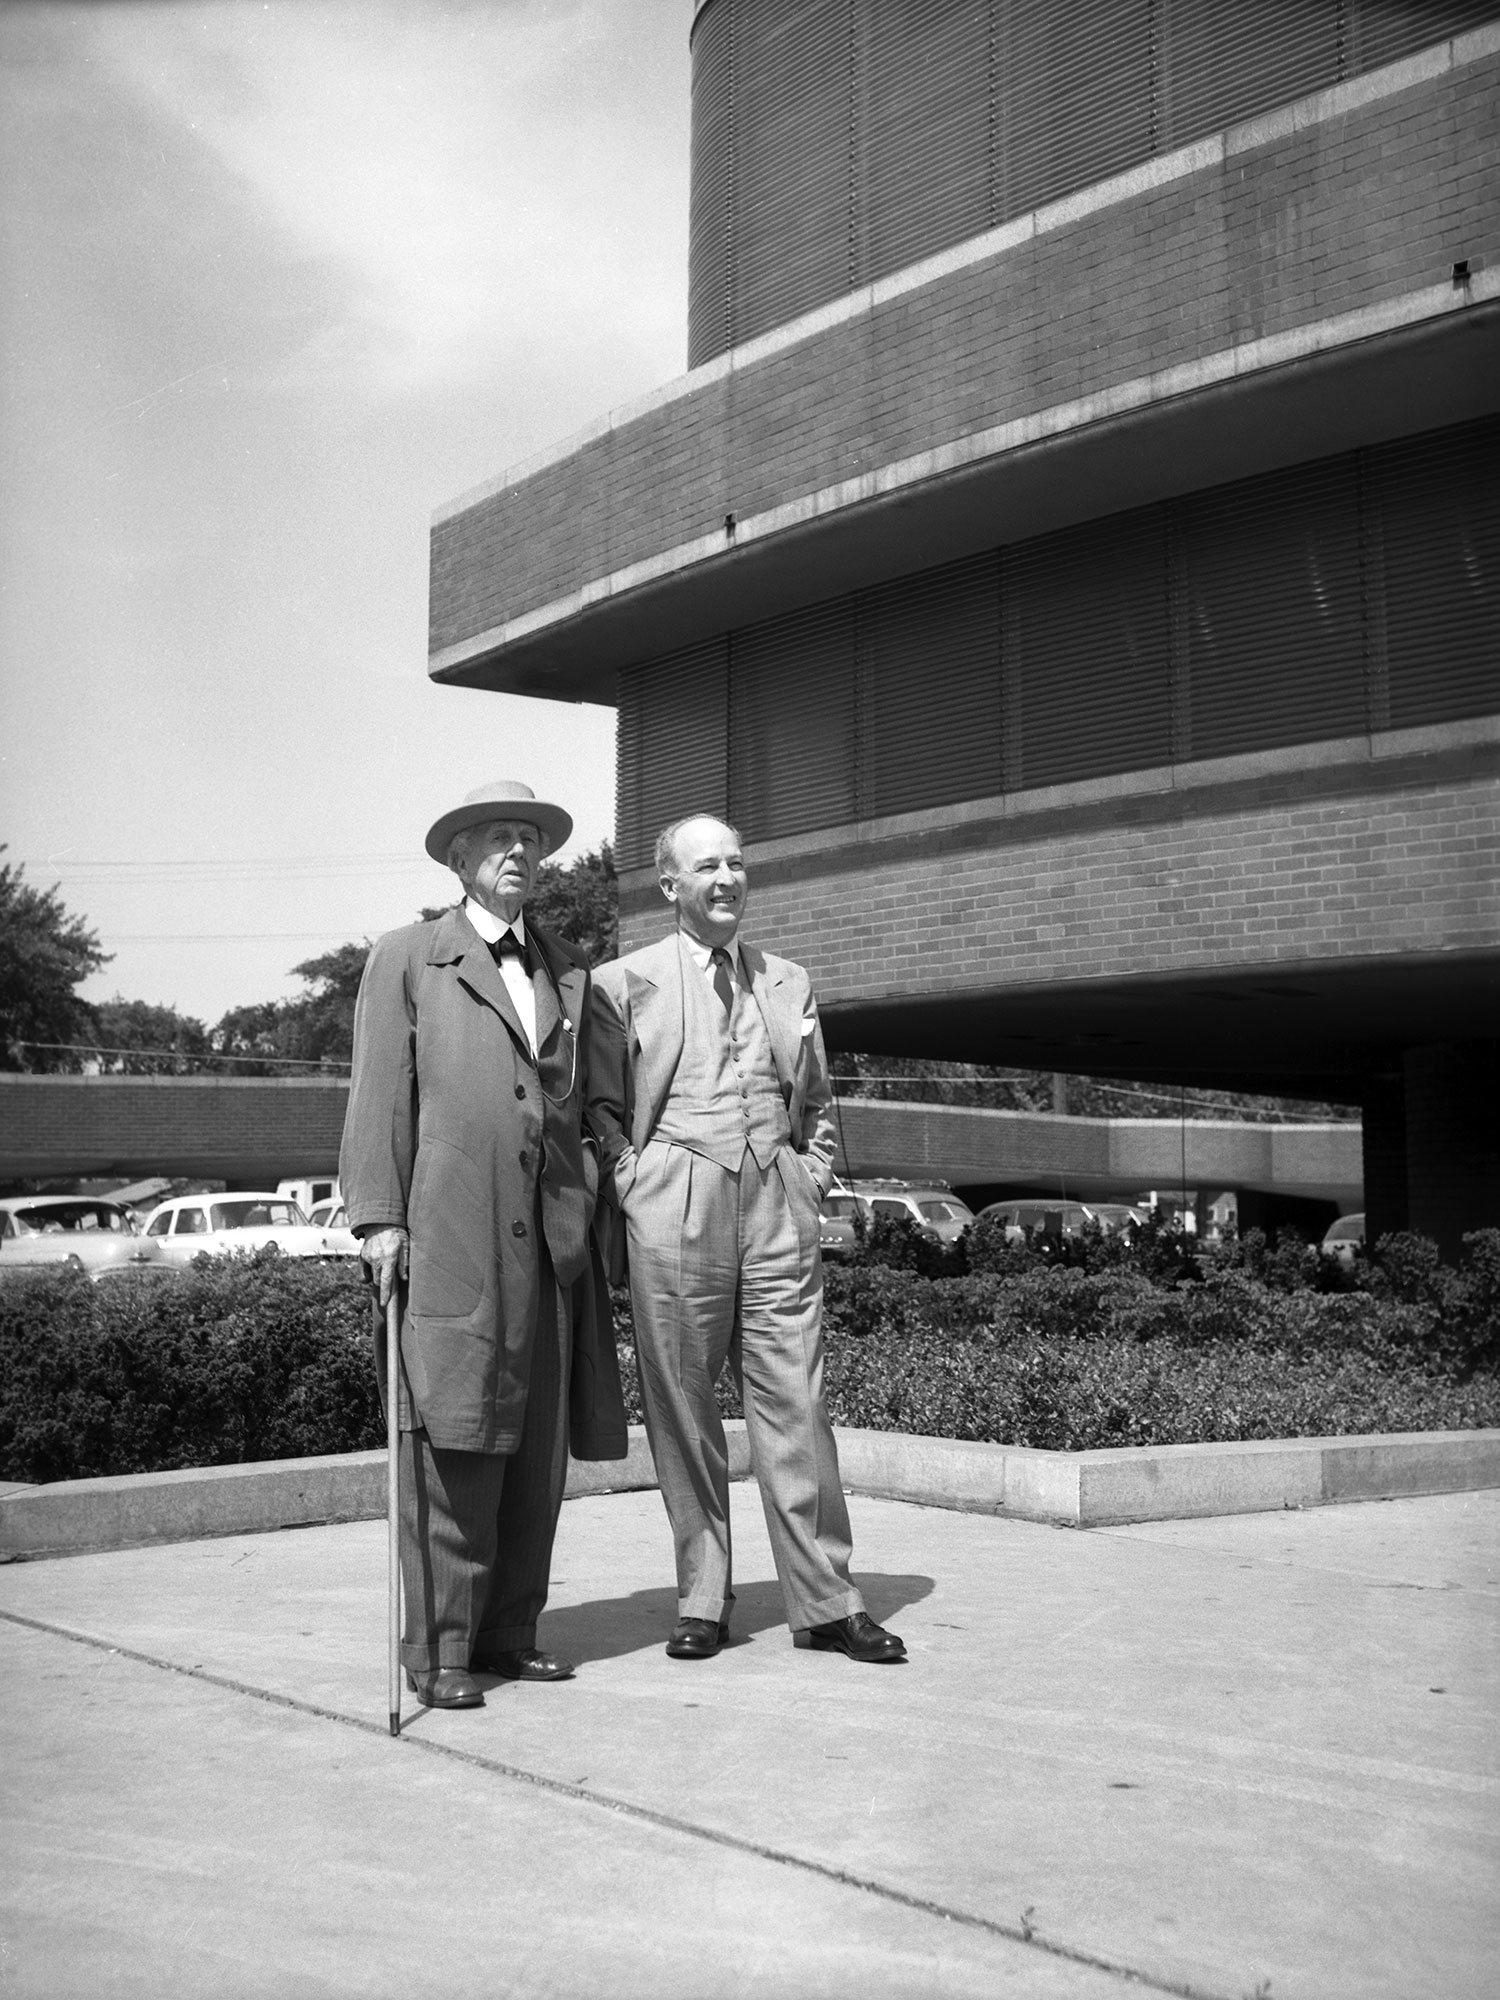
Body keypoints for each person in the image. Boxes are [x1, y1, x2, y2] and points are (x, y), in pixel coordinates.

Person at [587, 814, 904, 1666]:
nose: (726, 878)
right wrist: (635, 1183)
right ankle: (701, 1596)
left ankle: (828, 1600)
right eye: (707, 866)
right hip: (674, 1208)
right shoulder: (621, 984)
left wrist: (811, 1177)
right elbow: (600, 1112)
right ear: (670, 885)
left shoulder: (788, 981)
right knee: (683, 1412)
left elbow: (821, 1103)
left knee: (797, 1407)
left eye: (736, 863)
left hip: (777, 1207)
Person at [341, 779, 625, 1711]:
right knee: (455, 1442)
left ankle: (510, 1631)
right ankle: (440, 1647)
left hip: (551, 1246)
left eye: (530, 840)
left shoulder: (568, 967)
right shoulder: (409, 959)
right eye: (499, 839)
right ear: (458, 860)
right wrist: (379, 1217)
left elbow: (589, 1101)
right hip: (454, 1238)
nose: (519, 853)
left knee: (536, 1446)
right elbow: (380, 1096)